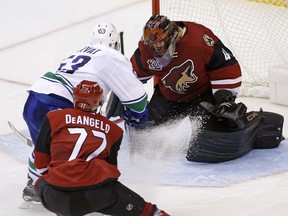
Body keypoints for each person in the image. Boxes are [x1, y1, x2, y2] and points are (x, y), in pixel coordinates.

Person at [22, 23, 149, 203]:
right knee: (83, 146)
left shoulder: (81, 51)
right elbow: (137, 101)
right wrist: (137, 115)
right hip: (60, 103)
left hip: (34, 98)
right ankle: (81, 193)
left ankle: (34, 186)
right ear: (115, 44)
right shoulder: (112, 56)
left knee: (43, 148)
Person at [129, 15, 284, 162]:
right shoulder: (146, 49)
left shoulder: (200, 40)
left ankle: (254, 122)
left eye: (161, 44)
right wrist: (127, 98)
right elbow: (131, 75)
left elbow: (227, 67)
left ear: (173, 35)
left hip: (202, 98)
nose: (157, 50)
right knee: (144, 135)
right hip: (168, 98)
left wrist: (224, 99)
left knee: (208, 139)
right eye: (153, 46)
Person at [33, 80, 169, 216]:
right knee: (147, 211)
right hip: (97, 195)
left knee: (41, 181)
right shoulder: (114, 130)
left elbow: (40, 165)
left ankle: (64, 212)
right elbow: (112, 171)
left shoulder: (54, 117)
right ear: (99, 102)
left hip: (54, 197)